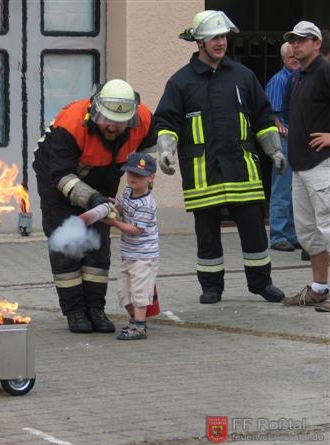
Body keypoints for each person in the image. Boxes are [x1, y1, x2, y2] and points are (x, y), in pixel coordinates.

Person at [153, 10, 286, 305]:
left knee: (254, 231)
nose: (221, 42)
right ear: (199, 41)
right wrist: (165, 151)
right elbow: (166, 122)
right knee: (208, 234)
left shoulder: (243, 75)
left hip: (242, 169)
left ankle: (261, 283)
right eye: (214, 37)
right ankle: (212, 287)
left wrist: (273, 150)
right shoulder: (181, 82)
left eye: (223, 36)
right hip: (203, 173)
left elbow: (263, 117)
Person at [33, 79, 157, 333]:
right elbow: (61, 176)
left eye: (118, 122)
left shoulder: (142, 117)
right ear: (96, 109)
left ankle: (96, 309)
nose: (111, 126)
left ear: (130, 117)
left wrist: (143, 190)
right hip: (58, 178)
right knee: (67, 242)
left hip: (103, 174)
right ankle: (75, 311)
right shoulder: (70, 124)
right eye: (106, 119)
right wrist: (92, 200)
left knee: (98, 242)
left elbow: (149, 151)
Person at [277, 21, 330, 309]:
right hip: (300, 167)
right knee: (309, 233)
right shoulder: (296, 76)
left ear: (317, 44)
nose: (296, 45)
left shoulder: (325, 71)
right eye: (293, 41)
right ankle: (320, 288)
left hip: (323, 165)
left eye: (302, 40)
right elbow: (286, 114)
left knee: (329, 228)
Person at [103, 153, 158, 340]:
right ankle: (136, 320)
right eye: (130, 173)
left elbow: (135, 229)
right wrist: (115, 208)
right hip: (128, 255)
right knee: (124, 292)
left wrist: (114, 224)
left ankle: (140, 327)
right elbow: (122, 209)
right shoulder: (127, 192)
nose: (133, 178)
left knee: (139, 292)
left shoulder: (147, 204)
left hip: (143, 257)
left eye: (139, 175)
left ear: (151, 178)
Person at [265, 43, 300, 252]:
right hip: (284, 140)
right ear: (283, 59)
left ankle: (293, 235)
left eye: (296, 56)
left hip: (297, 140)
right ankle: (278, 235)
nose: (295, 60)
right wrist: (281, 128)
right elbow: (271, 112)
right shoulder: (279, 80)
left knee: (296, 189)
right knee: (282, 189)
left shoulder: (299, 77)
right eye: (290, 58)